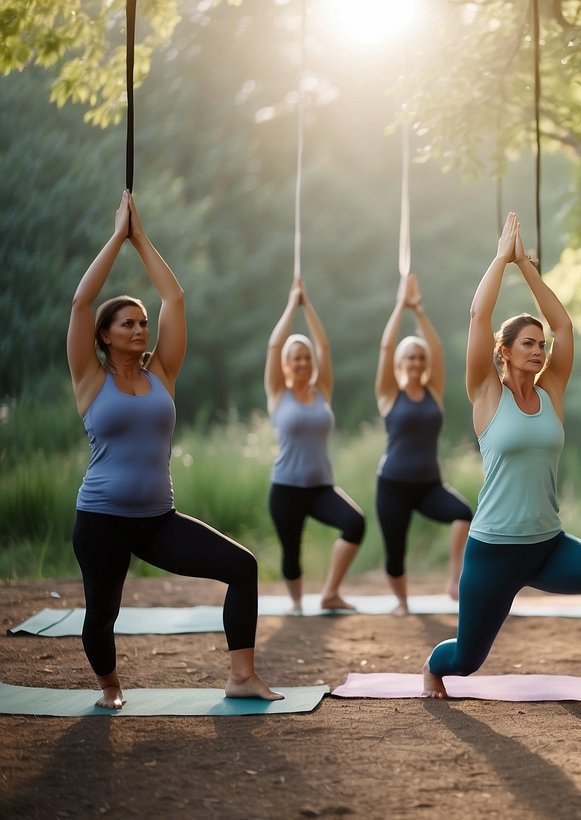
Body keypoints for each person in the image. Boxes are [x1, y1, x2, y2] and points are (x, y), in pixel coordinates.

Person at [67, 191, 281, 709]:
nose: (140, 329)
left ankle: (241, 676)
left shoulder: (162, 372)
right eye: (128, 324)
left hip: (158, 519)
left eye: (143, 322)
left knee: (242, 566)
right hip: (101, 519)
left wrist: (142, 240)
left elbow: (176, 299)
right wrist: (116, 238)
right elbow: (80, 302)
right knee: (102, 614)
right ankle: (110, 686)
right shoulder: (91, 379)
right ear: (104, 335)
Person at [422, 213, 581, 701]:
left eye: (541, 346)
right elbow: (479, 317)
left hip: (547, 546)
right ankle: (432, 668)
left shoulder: (552, 393)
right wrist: (502, 260)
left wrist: (528, 267)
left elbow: (563, 324)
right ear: (503, 351)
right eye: (528, 344)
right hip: (493, 551)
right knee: (467, 660)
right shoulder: (485, 394)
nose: (539, 351)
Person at [265, 275, 365, 613]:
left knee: (355, 522)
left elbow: (323, 346)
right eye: (297, 358)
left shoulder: (322, 390)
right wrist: (292, 305)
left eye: (307, 358)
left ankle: (330, 592)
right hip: (286, 488)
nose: (304, 362)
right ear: (287, 364)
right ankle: (296, 606)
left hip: (321, 487)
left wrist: (308, 308)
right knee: (291, 550)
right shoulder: (278, 394)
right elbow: (274, 346)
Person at [374, 271, 473, 614]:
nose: (416, 361)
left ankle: (454, 581)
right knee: (395, 550)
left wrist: (418, 311)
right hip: (393, 485)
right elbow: (387, 346)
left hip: (429, 484)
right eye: (410, 357)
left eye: (420, 357)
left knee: (463, 515)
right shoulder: (389, 394)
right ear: (401, 363)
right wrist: (400, 306)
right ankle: (402, 602)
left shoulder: (434, 391)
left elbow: (437, 348)